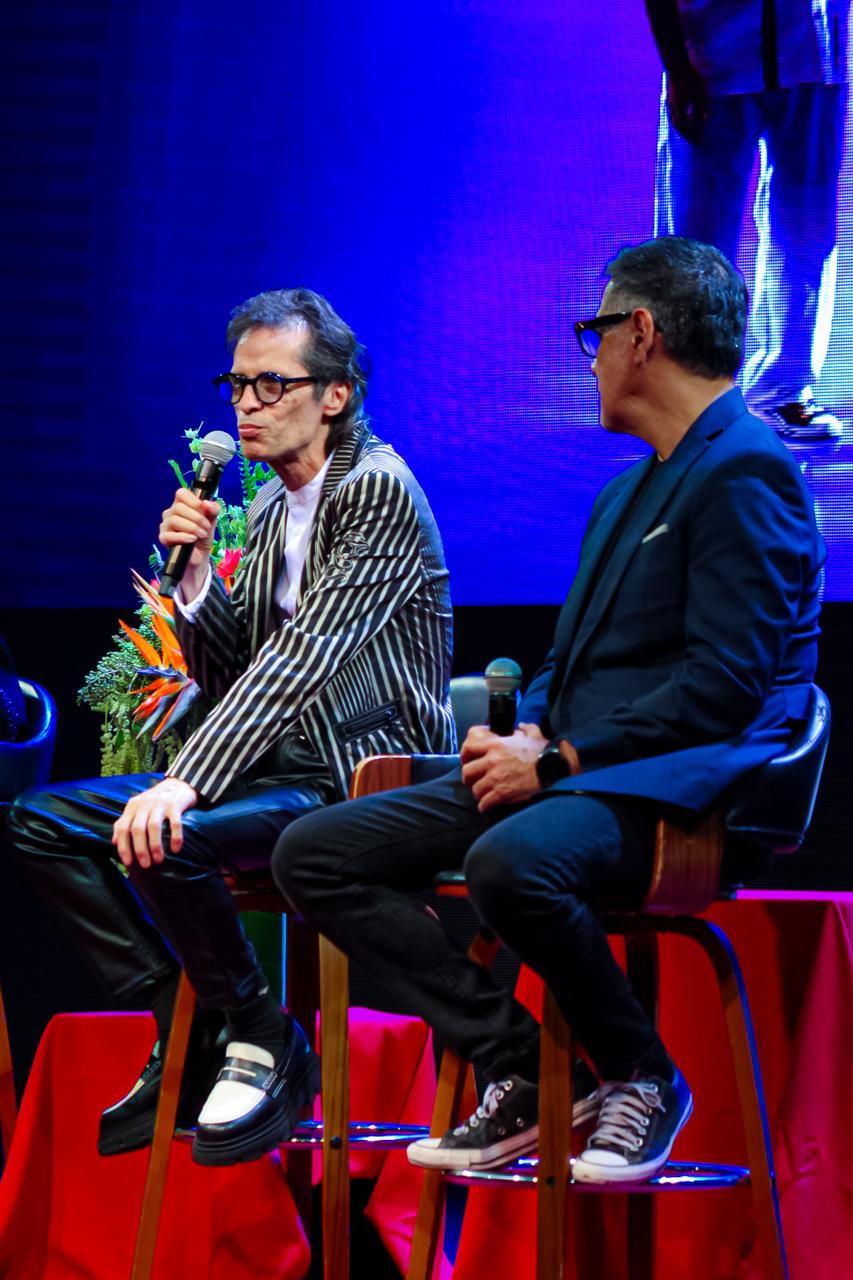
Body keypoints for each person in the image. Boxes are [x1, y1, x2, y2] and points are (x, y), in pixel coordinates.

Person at [273, 238, 824, 1184]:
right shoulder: (626, 490)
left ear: (640, 333)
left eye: (597, 333)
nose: (594, 356)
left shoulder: (748, 471)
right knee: (313, 854)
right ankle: (524, 1067)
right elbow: (573, 662)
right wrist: (525, 726)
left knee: (508, 860)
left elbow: (724, 687)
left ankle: (642, 1074)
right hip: (578, 769)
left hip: (674, 787)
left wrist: (559, 757)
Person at [9, 287, 454, 1166]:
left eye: (270, 386)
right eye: (237, 387)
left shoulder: (375, 490)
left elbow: (301, 665)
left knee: (174, 832)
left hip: (358, 776)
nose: (246, 407)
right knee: (40, 824)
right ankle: (196, 1016)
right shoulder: (276, 502)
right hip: (275, 771)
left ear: (335, 393)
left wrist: (186, 778)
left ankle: (256, 1034)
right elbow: (234, 669)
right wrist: (199, 577)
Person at [648, 0, 849, 440]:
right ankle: (690, 391)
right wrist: (677, 67)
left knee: (806, 231)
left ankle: (785, 391)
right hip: (714, 54)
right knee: (696, 237)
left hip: (814, 52)